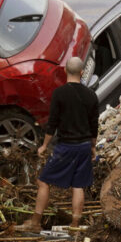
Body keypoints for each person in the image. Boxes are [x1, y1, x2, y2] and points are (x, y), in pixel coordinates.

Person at [20, 57, 99, 232]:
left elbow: (52, 123)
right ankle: (75, 225)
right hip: (84, 146)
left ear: (65, 72)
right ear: (82, 72)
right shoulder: (91, 95)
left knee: (43, 181)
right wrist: (92, 147)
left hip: (66, 147)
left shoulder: (59, 94)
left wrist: (44, 145)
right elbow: (94, 125)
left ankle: (35, 222)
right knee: (78, 186)